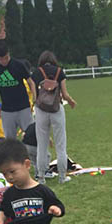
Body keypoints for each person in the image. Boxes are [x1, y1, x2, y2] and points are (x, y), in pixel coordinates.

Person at [31, 50, 77, 185]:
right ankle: (62, 177)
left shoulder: (36, 73)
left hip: (41, 110)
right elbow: (65, 94)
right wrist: (71, 101)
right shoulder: (59, 72)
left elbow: (34, 96)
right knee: (60, 145)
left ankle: (41, 177)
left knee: (42, 145)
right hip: (56, 109)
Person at [0, 41, 35, 140]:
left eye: (6, 57)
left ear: (9, 53)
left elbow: (31, 83)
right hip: (7, 110)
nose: (4, 61)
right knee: (9, 140)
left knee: (31, 136)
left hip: (23, 108)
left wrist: (35, 98)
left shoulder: (19, 65)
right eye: (1, 59)